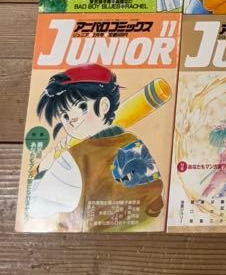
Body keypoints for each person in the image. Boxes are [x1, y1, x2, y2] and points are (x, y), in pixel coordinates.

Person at [26, 64, 164, 229]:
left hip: (101, 228)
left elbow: (36, 208)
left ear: (104, 105)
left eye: (82, 106)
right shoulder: (131, 140)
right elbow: (154, 194)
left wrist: (42, 173)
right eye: (65, 116)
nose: (72, 119)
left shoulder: (72, 158)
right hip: (142, 218)